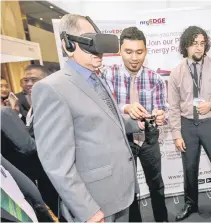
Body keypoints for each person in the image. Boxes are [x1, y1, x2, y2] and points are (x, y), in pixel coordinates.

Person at [31, 14, 142, 222]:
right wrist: (87, 210)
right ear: (68, 45)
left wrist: (137, 122)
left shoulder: (97, 78)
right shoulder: (51, 89)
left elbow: (105, 121)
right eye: (89, 41)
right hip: (95, 204)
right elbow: (56, 163)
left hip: (119, 194)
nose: (98, 50)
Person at [168, 26, 211, 221]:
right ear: (185, 46)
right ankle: (190, 205)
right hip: (187, 126)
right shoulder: (176, 73)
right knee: (189, 168)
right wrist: (176, 134)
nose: (198, 48)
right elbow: (173, 107)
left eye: (202, 43)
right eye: (194, 44)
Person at [107, 27, 168, 222]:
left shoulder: (155, 79)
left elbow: (162, 110)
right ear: (120, 51)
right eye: (129, 52)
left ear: (146, 51)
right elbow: (103, 109)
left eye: (139, 52)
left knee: (156, 185)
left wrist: (160, 115)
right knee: (129, 189)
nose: (134, 58)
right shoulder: (107, 76)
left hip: (149, 140)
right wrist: (126, 108)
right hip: (122, 141)